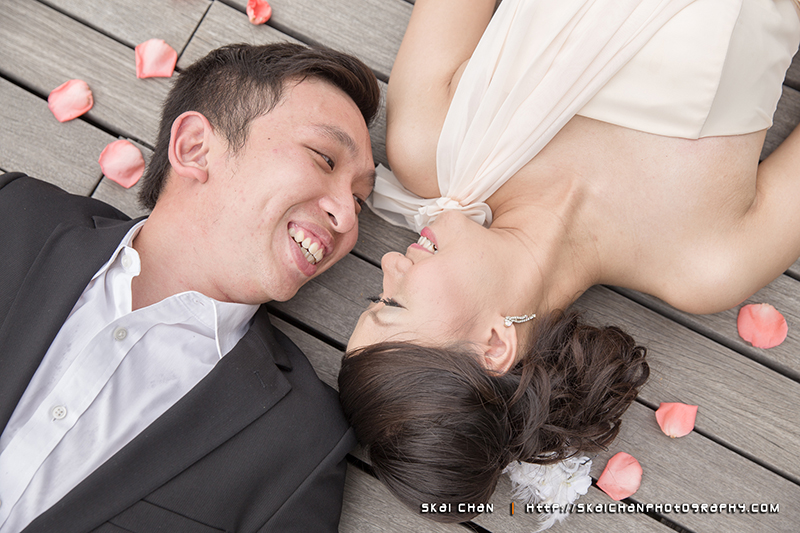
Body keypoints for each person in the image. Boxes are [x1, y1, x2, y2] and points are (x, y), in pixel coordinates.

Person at [338, 0, 800, 524]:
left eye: (373, 295)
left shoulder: (428, 142)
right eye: (392, 303)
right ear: (494, 345)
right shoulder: (707, 265)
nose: (388, 262)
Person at [0, 42, 379, 533]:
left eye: (359, 200)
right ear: (196, 147)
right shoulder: (12, 213)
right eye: (325, 159)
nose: (347, 218)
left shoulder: (301, 450)